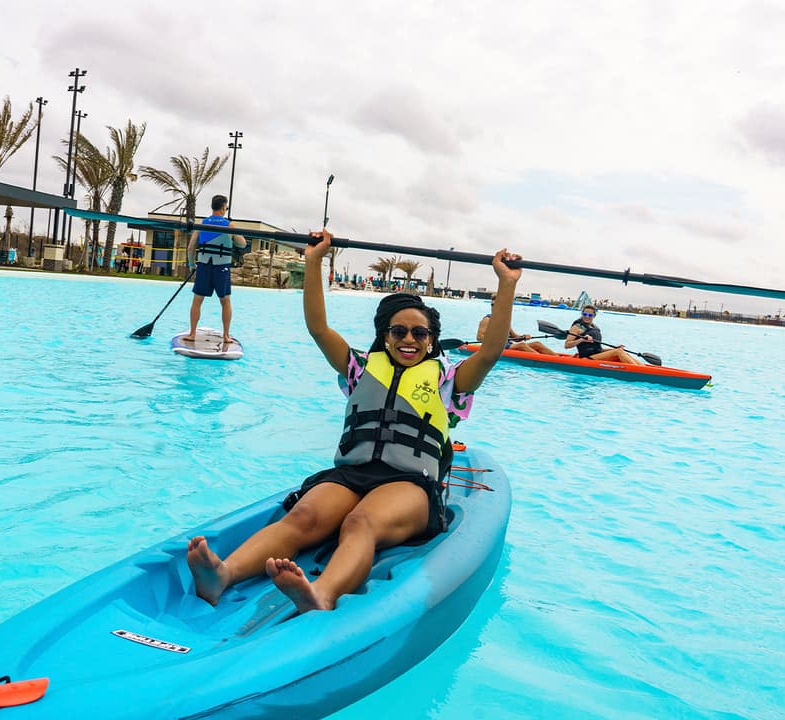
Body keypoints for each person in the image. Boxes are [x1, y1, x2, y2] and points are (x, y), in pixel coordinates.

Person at [186, 229, 523, 613]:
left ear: (431, 340)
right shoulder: (360, 368)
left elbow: (492, 352)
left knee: (361, 522)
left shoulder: (449, 379)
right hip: (352, 475)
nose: (408, 339)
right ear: (385, 335)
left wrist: (506, 286)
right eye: (398, 331)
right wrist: (314, 262)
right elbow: (318, 327)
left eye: (419, 333)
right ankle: (223, 575)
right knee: (304, 516)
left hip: (410, 484)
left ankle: (323, 593)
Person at [183, 194, 247, 346]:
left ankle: (192, 333)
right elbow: (242, 244)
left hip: (204, 266)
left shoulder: (202, 224)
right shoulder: (229, 225)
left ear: (212, 206)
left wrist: (192, 265)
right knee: (225, 301)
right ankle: (226, 335)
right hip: (222, 267)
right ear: (224, 207)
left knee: (197, 300)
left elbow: (191, 247)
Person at [563, 304, 640, 363]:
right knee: (618, 352)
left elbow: (597, 348)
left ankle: (643, 367)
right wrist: (581, 340)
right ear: (582, 314)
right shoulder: (576, 327)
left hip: (597, 355)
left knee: (620, 350)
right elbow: (567, 345)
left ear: (594, 316)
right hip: (587, 358)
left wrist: (614, 349)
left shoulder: (595, 327)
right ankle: (639, 370)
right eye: (585, 314)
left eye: (590, 315)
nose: (587, 317)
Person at [477, 314, 556, 355]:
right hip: (497, 348)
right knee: (522, 345)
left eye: (495, 305)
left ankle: (557, 358)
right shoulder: (487, 320)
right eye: (492, 305)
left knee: (537, 344)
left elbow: (515, 337)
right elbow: (479, 337)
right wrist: (496, 340)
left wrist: (523, 337)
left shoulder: (505, 320)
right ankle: (543, 360)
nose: (493, 307)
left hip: (508, 345)